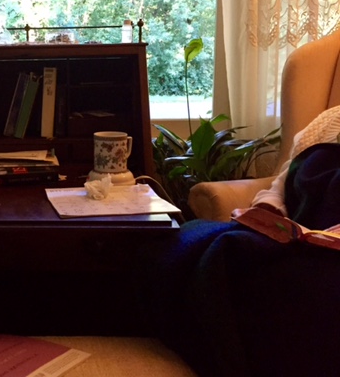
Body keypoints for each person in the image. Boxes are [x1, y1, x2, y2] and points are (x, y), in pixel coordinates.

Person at [137, 105, 340, 377]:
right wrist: (269, 210)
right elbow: (276, 187)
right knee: (198, 240)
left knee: (302, 286)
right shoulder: (326, 125)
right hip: (290, 236)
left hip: (328, 259)